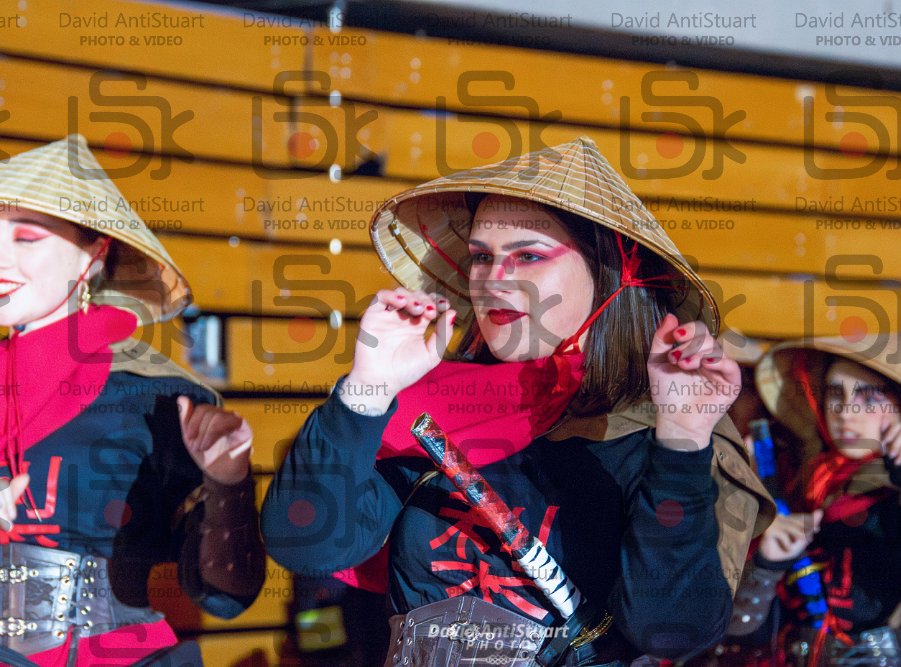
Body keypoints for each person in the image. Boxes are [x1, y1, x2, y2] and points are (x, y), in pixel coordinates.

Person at [261, 137, 775, 666]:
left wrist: (681, 447)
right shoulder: (435, 412)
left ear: (609, 276)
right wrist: (365, 389)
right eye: (481, 257)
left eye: (528, 255)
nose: (492, 280)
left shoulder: (674, 430)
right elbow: (305, 542)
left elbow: (670, 629)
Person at [0, 136, 266, 666]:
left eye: (26, 237)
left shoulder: (158, 396)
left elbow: (226, 595)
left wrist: (229, 485)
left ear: (95, 254)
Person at [721, 333, 901, 666]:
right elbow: (737, 626)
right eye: (834, 394)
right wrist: (767, 565)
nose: (846, 412)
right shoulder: (799, 479)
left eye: (869, 398)